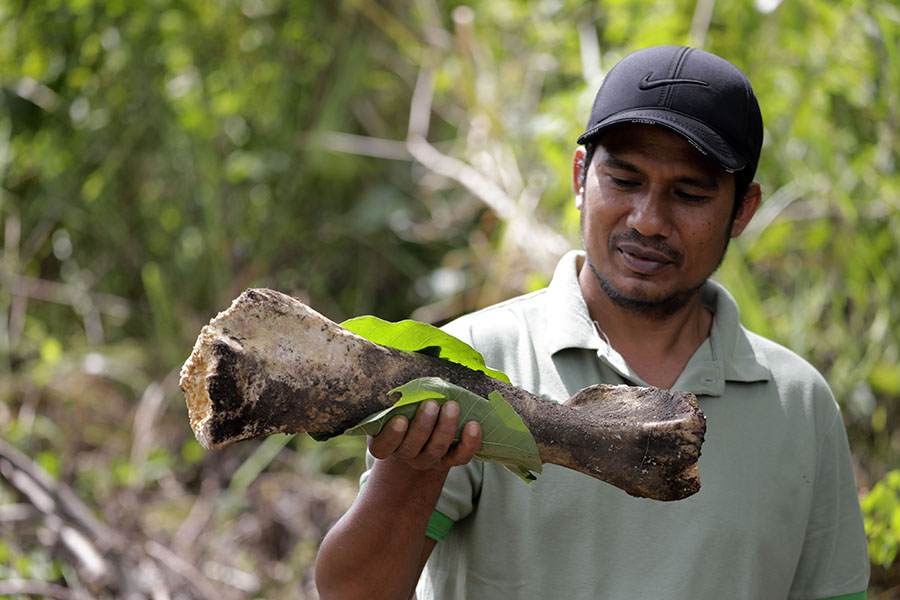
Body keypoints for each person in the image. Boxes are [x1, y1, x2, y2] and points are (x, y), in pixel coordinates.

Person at [314, 45, 870, 600]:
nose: (649, 221)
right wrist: (413, 472)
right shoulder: (474, 360)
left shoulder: (797, 402)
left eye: (689, 194)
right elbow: (352, 592)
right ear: (581, 177)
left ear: (742, 210)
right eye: (625, 182)